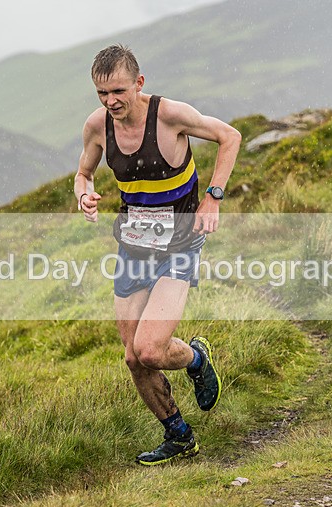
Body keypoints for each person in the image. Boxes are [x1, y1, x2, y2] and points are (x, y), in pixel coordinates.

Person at [73, 44, 241, 465]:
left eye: (119, 91)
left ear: (139, 83)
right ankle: (179, 436)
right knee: (134, 357)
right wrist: (84, 195)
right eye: (102, 93)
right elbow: (83, 173)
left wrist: (213, 197)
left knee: (150, 349)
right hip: (133, 247)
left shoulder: (169, 115)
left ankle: (196, 359)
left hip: (179, 245)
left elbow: (230, 136)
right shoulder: (97, 126)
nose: (111, 101)